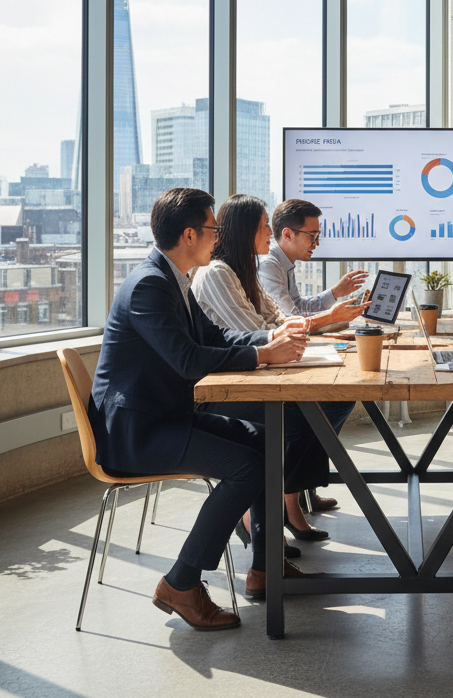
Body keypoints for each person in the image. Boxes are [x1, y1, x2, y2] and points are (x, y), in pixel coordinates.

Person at [88, 188, 309, 632]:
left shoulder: (174, 278)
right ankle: (181, 582)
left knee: (270, 440)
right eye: (213, 229)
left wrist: (269, 341)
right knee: (248, 467)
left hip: (161, 415)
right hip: (139, 432)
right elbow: (187, 359)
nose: (218, 236)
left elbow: (216, 337)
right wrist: (263, 358)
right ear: (189, 234)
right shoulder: (151, 285)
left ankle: (266, 566)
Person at [192, 194, 368, 545]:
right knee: (312, 410)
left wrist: (303, 326)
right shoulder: (217, 274)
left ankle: (288, 501)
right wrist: (323, 319)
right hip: (225, 391)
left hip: (249, 379)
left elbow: (280, 320)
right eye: (263, 227)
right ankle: (283, 504)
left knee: (330, 402)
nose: (270, 233)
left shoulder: (243, 274)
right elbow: (255, 336)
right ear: (245, 231)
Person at [258, 199, 369, 316]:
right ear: (288, 235)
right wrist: (334, 316)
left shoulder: (284, 263)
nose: (317, 243)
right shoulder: (269, 265)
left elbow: (298, 305)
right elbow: (292, 317)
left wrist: (336, 292)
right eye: (312, 236)